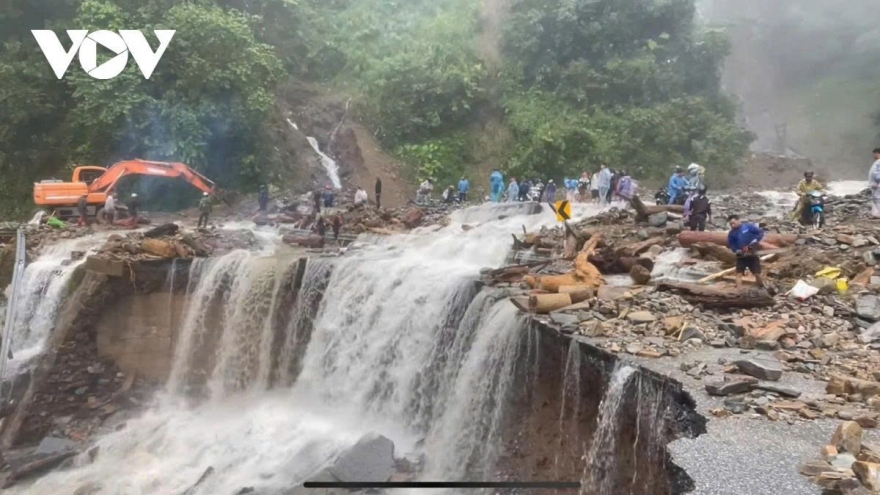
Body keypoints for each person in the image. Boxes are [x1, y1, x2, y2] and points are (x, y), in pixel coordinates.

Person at [727, 214, 765, 289]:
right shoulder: (731, 233)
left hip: (752, 254)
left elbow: (760, 233)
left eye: (733, 223)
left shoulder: (748, 227)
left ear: (738, 220)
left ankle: (761, 287)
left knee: (757, 273)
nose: (732, 225)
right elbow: (732, 245)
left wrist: (755, 241)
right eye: (731, 224)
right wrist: (736, 250)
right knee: (739, 273)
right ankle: (739, 290)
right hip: (741, 256)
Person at [871, 148, 880, 218]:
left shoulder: (879, 162)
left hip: (877, 183)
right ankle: (875, 213)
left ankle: (878, 213)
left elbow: (877, 173)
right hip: (875, 184)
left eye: (874, 154)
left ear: (878, 153)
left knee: (877, 198)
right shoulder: (877, 162)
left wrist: (877, 181)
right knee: (875, 198)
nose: (873, 156)